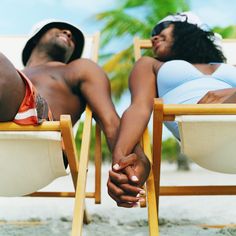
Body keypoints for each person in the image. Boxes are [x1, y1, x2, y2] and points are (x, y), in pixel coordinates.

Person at [107, 12, 236, 207]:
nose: (153, 37)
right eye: (153, 34)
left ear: (189, 30)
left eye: (161, 28)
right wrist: (120, 158)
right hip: (202, 132)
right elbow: (139, 108)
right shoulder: (151, 64)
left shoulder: (228, 67)